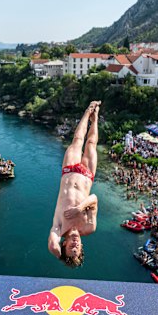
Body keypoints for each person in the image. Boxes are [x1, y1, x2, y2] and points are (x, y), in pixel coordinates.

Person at [48, 101, 100, 267]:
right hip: (87, 175)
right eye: (77, 248)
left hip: (69, 171)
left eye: (71, 247)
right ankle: (95, 118)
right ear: (82, 246)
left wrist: (60, 255)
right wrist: (79, 209)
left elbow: (52, 245)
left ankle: (88, 111)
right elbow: (93, 198)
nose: (75, 245)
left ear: (64, 244)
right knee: (91, 143)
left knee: (78, 139)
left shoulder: (59, 227)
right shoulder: (89, 227)